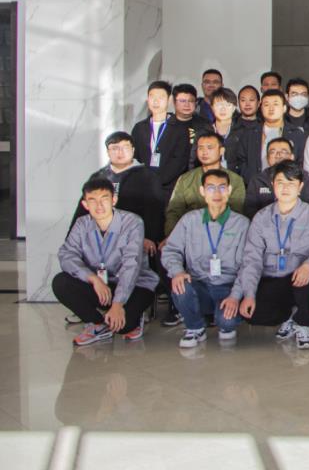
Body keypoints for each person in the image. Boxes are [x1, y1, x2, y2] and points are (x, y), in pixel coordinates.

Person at [54, 178, 159, 346]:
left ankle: (134, 316)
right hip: (102, 285)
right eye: (92, 200)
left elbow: (131, 265)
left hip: (135, 285)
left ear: (114, 200)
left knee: (123, 327)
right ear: (85, 204)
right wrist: (92, 279)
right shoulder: (82, 224)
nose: (99, 206)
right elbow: (66, 254)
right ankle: (97, 324)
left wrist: (118, 304)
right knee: (60, 282)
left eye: (104, 199)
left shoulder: (132, 222)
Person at [237, 161, 309, 349]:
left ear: (300, 187)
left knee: (308, 284)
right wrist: (249, 294)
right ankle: (290, 316)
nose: (285, 188)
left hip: (302, 277)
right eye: (280, 182)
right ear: (273, 185)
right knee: (253, 313)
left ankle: (303, 325)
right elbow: (252, 259)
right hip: (273, 276)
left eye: (291, 183)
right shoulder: (261, 217)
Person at [161, 169, 250, 348]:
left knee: (226, 322)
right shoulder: (189, 220)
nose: (216, 193)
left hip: (228, 286)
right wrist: (177, 271)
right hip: (199, 283)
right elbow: (171, 250)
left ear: (229, 190)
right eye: (210, 188)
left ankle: (225, 323)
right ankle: (195, 327)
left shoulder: (242, 223)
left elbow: (248, 265)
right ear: (202, 191)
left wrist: (235, 295)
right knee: (180, 286)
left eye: (222, 188)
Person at [72, 133, 164, 260]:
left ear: (133, 150)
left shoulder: (148, 176)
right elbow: (83, 210)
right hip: (101, 238)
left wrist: (149, 236)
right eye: (115, 148)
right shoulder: (98, 177)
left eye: (125, 147)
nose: (120, 152)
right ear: (108, 152)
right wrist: (73, 237)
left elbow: (156, 209)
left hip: (134, 237)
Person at [163, 132, 247, 241]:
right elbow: (174, 212)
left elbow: (237, 213)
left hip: (223, 236)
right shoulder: (186, 179)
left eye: (210, 148)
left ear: (221, 151)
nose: (204, 152)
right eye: (200, 148)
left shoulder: (235, 180)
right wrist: (172, 237)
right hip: (189, 235)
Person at [130, 80, 191, 197]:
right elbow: (135, 157)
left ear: (169, 100)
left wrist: (156, 182)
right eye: (152, 97)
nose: (156, 101)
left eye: (161, 97)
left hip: (169, 189)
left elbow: (179, 162)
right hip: (143, 187)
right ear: (147, 99)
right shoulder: (139, 128)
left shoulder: (180, 128)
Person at [230, 89, 308, 180]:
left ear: (284, 108)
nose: (271, 108)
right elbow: (240, 161)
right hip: (256, 184)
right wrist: (253, 180)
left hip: (286, 184)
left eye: (275, 104)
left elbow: (301, 162)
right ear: (261, 108)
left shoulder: (296, 134)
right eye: (266, 105)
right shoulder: (249, 133)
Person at [243, 137, 309, 217]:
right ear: (267, 158)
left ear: (292, 157)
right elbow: (250, 210)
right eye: (273, 152)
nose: (278, 155)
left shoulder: (305, 179)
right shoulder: (257, 180)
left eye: (284, 152)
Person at [172, 83, 212, 152]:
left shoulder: (205, 125)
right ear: (174, 102)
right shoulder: (166, 124)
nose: (186, 105)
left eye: (191, 101)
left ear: (195, 103)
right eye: (182, 101)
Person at [208, 87, 243, 153]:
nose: (223, 109)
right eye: (219, 105)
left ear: (234, 108)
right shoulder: (205, 131)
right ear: (212, 107)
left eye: (228, 105)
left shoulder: (243, 131)